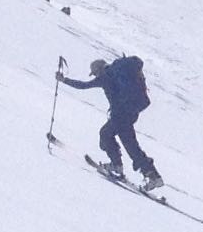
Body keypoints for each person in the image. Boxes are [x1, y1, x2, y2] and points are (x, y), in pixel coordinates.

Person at [62, 53, 161, 187]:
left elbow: (84, 85)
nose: (96, 76)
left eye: (95, 73)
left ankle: (117, 165)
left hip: (120, 115)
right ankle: (152, 175)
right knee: (130, 145)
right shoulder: (117, 73)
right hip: (131, 113)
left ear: (98, 70)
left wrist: (64, 80)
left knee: (106, 134)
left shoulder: (105, 77)